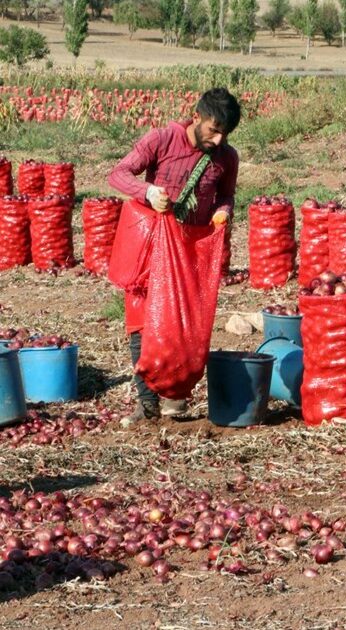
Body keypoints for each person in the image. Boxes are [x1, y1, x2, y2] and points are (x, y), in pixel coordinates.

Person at [108, 87, 241, 423]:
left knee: (183, 325)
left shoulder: (226, 158)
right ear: (197, 117)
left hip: (191, 251)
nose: (218, 138)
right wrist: (148, 191)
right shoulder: (162, 139)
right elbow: (119, 174)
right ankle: (147, 404)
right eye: (213, 129)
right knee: (142, 324)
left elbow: (227, 196)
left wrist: (222, 212)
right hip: (151, 248)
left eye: (225, 133)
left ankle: (176, 397)